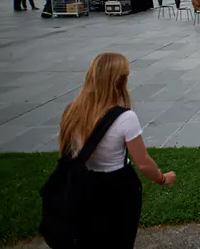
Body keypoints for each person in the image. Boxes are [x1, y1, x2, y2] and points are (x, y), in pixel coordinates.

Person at [58, 52, 177, 247]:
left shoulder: (72, 111)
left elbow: (67, 152)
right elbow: (143, 162)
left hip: (84, 183)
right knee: (119, 237)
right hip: (118, 187)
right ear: (119, 82)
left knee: (88, 237)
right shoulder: (125, 118)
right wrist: (162, 178)